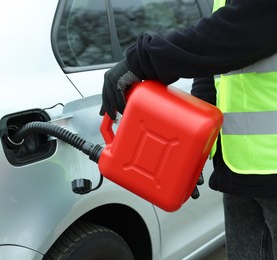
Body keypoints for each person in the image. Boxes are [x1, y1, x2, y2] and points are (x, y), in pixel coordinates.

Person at [100, 0, 277, 258]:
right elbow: (216, 71)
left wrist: (144, 58)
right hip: (242, 171)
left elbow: (237, 32)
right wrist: (194, 152)